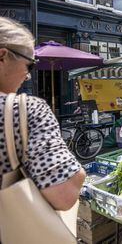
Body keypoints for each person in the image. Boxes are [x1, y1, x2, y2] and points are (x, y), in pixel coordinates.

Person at [0, 17, 85, 211]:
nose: (28, 75)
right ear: (2, 56)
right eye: (29, 65)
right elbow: (65, 192)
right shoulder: (24, 109)